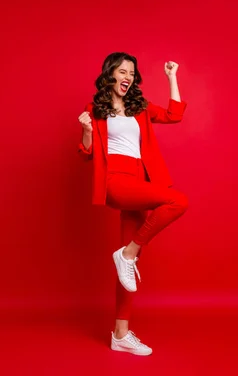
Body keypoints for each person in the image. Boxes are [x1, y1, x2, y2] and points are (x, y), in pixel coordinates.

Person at [77, 52, 189, 356]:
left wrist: (171, 77)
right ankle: (128, 253)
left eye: (132, 72)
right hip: (115, 179)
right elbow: (86, 153)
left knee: (129, 266)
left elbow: (174, 114)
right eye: (122, 71)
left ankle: (120, 334)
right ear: (110, 74)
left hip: (139, 179)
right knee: (178, 201)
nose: (128, 76)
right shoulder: (95, 109)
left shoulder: (138, 108)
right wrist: (87, 130)